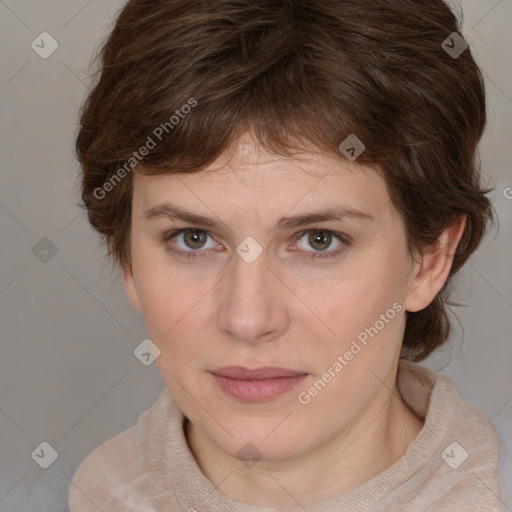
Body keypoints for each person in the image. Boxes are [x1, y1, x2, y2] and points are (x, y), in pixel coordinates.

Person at [68, 0, 502, 510]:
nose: (248, 319)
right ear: (127, 259)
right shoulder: (100, 490)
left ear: (429, 258)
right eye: (193, 238)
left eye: (320, 240)